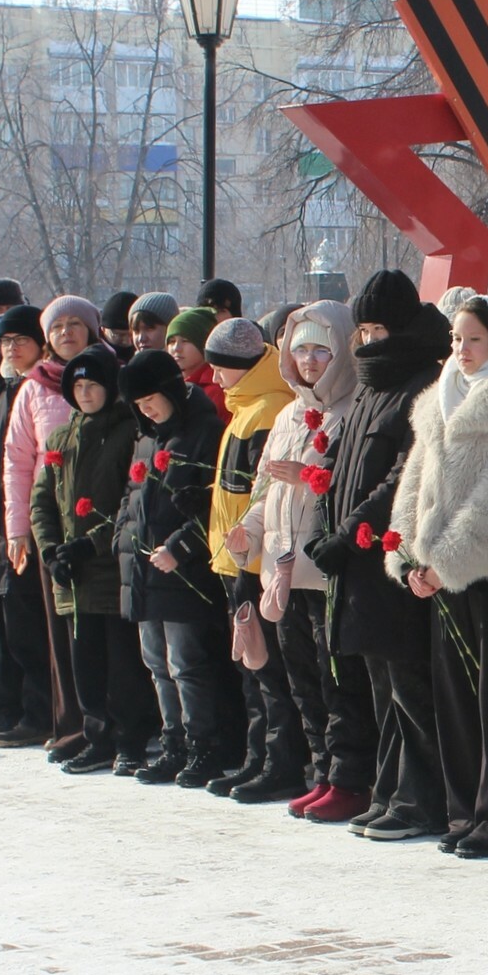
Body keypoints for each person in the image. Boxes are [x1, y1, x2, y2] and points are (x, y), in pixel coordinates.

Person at [391, 291, 488, 854]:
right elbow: (414, 480)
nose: (461, 349)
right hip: (440, 573)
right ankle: (464, 814)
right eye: (456, 339)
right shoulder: (440, 396)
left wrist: (446, 562)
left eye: (474, 339)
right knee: (454, 698)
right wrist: (407, 554)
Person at [308, 270, 451, 832]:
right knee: (382, 687)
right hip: (357, 565)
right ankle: (390, 790)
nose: (369, 340)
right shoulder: (370, 385)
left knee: (410, 688)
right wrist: (327, 523)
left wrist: (348, 533)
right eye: (362, 329)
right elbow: (342, 466)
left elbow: (400, 476)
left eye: (378, 328)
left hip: (390, 558)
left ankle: (420, 799)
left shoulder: (418, 383)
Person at [240, 302, 370, 822]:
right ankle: (321, 771)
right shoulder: (288, 414)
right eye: (300, 351)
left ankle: (349, 777)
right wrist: (247, 531)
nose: (311, 361)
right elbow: (264, 487)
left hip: (324, 567)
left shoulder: (354, 408)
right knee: (301, 680)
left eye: (321, 349)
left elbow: (356, 487)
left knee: (335, 678)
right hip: (280, 568)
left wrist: (314, 480)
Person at [32, 345, 158, 775]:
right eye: (78, 386)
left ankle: (131, 739)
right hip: (73, 574)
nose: (85, 394)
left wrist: (94, 542)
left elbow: (130, 501)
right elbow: (42, 501)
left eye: (93, 385)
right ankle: (97, 733)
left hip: (111, 567)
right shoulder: (61, 437)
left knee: (122, 663)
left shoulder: (128, 432)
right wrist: (51, 551)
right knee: (85, 663)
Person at [117, 349, 230, 786]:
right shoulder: (146, 438)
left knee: (186, 662)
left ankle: (204, 744)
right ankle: (174, 743)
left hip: (184, 574)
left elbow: (214, 508)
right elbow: (131, 497)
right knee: (156, 663)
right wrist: (122, 542)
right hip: (144, 570)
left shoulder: (203, 432)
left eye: (151, 399)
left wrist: (180, 548)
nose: (146, 409)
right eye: (138, 404)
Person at [200, 315, 295, 799]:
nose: (214, 376)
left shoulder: (267, 410)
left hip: (254, 560)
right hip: (235, 556)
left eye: (222, 366)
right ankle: (257, 756)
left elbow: (259, 492)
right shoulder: (246, 407)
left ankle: (277, 763)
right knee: (249, 665)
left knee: (265, 667)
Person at [7, 295, 99, 756]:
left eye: (75, 324)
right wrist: (17, 527)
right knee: (60, 629)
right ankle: (70, 725)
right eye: (57, 326)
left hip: (99, 520)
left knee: (102, 630)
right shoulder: (34, 389)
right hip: (52, 523)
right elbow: (18, 462)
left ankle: (109, 725)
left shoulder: (106, 374)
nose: (67, 332)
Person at [0, 306, 56, 748]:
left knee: (38, 627)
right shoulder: (2, 392)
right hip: (5, 520)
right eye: (5, 342)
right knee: (13, 626)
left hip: (43, 518)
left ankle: (45, 713)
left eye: (19, 340)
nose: (11, 349)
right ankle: (25, 709)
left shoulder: (44, 389)